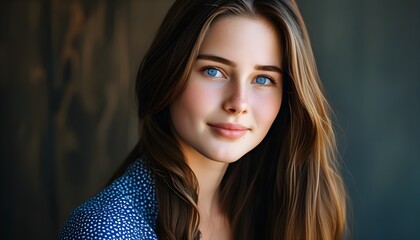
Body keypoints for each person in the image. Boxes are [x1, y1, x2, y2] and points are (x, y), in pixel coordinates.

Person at [59, 0, 347, 239]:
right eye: (213, 71)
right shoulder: (106, 229)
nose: (238, 103)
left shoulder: (277, 204)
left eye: (263, 78)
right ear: (170, 74)